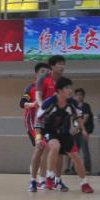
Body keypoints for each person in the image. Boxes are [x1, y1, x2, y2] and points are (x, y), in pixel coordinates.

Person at [34, 77, 94, 193]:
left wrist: (84, 130)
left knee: (76, 157)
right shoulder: (49, 103)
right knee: (55, 146)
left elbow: (78, 117)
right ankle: (50, 177)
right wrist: (38, 139)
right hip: (49, 132)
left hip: (64, 133)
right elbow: (38, 121)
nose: (70, 90)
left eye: (70, 87)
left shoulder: (72, 103)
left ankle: (84, 184)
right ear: (59, 90)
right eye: (67, 88)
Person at [35, 55, 67, 189]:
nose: (62, 66)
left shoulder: (64, 81)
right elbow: (38, 95)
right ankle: (42, 179)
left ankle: (58, 180)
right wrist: (43, 108)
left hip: (59, 121)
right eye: (59, 63)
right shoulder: (44, 78)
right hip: (44, 120)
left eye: (63, 64)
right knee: (44, 149)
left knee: (60, 151)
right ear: (52, 66)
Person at [20, 62, 51, 191]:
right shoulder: (31, 87)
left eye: (47, 71)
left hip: (46, 123)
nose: (45, 74)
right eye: (42, 71)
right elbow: (22, 103)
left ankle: (43, 180)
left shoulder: (50, 88)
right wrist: (33, 104)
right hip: (33, 123)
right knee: (41, 145)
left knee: (47, 148)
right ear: (37, 73)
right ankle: (33, 180)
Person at [65, 88, 94, 175]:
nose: (79, 96)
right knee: (73, 151)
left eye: (80, 95)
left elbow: (85, 118)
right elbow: (70, 118)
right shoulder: (73, 106)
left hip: (82, 131)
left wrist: (77, 128)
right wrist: (71, 129)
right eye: (77, 95)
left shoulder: (86, 106)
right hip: (74, 132)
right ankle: (72, 168)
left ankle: (87, 169)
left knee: (85, 150)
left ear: (83, 96)